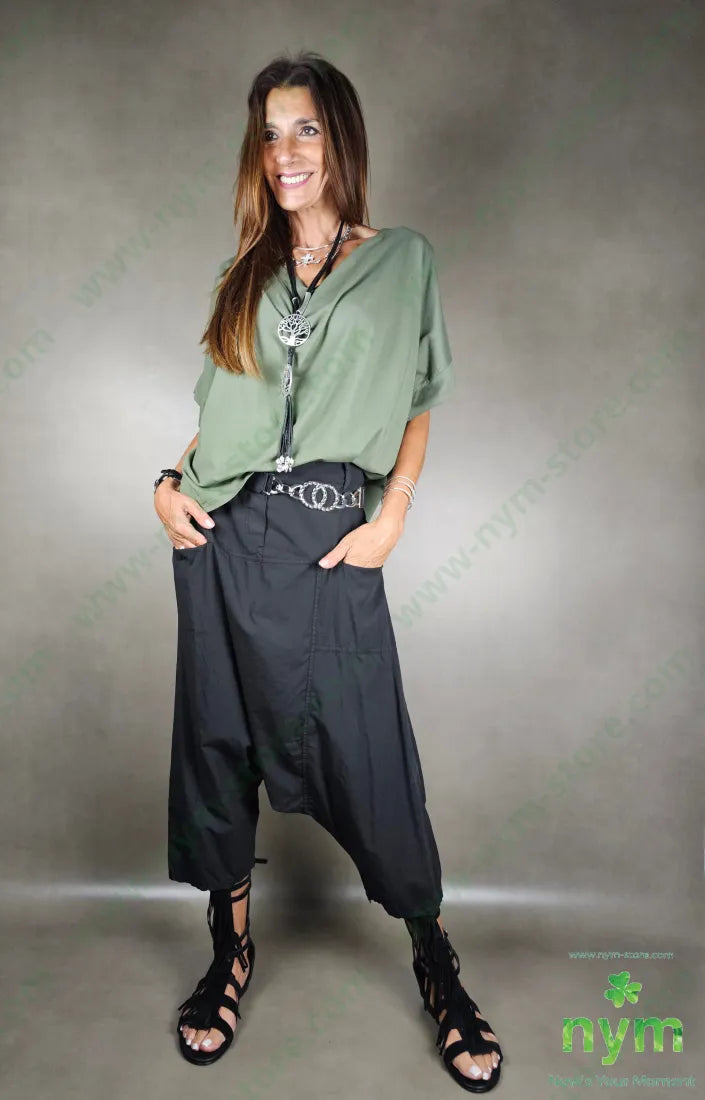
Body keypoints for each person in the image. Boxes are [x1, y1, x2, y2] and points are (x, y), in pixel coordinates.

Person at [153, 51, 504, 1092]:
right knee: (217, 743)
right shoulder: (245, 269)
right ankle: (229, 949)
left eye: (304, 128)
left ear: (340, 137)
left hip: (327, 531)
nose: (285, 152)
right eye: (269, 133)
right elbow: (220, 413)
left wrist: (393, 512)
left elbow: (419, 395)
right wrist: (165, 482)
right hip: (219, 531)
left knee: (370, 754)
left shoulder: (401, 261)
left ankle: (435, 958)